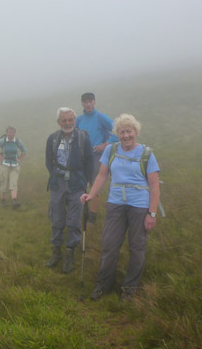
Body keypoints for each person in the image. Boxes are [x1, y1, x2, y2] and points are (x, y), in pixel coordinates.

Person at [80, 114, 160, 300]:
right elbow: (101, 175)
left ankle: (129, 289)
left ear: (136, 132)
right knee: (109, 245)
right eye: (122, 132)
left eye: (129, 131)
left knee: (137, 247)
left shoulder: (146, 154)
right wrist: (91, 194)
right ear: (117, 134)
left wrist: (152, 213)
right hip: (116, 203)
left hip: (139, 205)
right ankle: (103, 286)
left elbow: (155, 186)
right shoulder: (111, 150)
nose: (126, 136)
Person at [45, 108, 94, 273]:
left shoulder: (83, 138)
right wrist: (56, 175)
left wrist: (84, 182)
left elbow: (89, 162)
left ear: (74, 120)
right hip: (57, 184)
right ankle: (56, 251)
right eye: (64, 120)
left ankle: (69, 251)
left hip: (76, 184)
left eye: (70, 120)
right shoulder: (52, 139)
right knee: (56, 218)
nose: (67, 123)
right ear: (59, 122)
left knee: (73, 220)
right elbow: (48, 161)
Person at [75, 92, 117, 217]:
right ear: (82, 103)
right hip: (81, 158)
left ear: (94, 102)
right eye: (85, 102)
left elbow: (117, 130)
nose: (88, 104)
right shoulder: (79, 119)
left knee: (95, 184)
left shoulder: (100, 117)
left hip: (97, 157)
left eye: (90, 101)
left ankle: (92, 215)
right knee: (80, 184)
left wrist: (105, 145)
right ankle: (81, 210)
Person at [0, 126, 27, 209]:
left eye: (13, 132)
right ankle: (3, 200)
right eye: (9, 132)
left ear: (15, 133)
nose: (11, 134)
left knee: (13, 183)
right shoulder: (3, 141)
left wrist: (20, 158)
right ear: (6, 133)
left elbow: (24, 150)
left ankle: (14, 201)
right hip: (4, 164)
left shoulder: (17, 141)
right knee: (4, 183)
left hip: (15, 165)